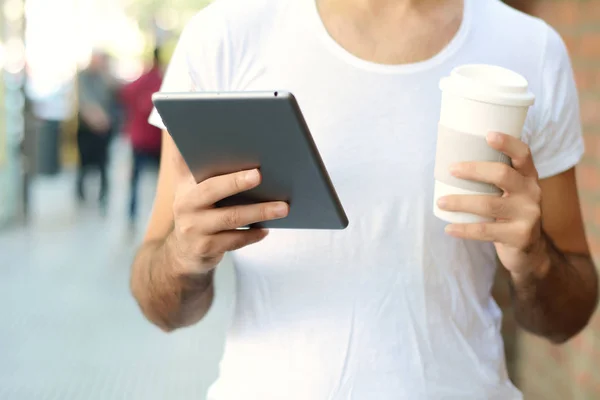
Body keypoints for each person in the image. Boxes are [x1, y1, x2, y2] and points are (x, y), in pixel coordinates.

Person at [130, 0, 599, 398]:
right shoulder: (227, 33)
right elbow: (160, 306)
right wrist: (183, 256)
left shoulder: (530, 49)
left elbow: (568, 317)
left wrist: (534, 257)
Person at [120, 48, 164, 224]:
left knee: (135, 181)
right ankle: (160, 217)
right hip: (155, 139)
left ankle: (132, 215)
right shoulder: (161, 81)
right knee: (162, 183)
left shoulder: (142, 80)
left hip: (140, 139)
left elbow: (125, 94)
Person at [76, 51, 115, 210]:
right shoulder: (82, 77)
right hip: (87, 128)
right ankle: (80, 193)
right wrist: (97, 119)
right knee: (84, 164)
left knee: (103, 164)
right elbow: (84, 101)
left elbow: (114, 94)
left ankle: (103, 194)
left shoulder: (103, 77)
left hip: (102, 129)